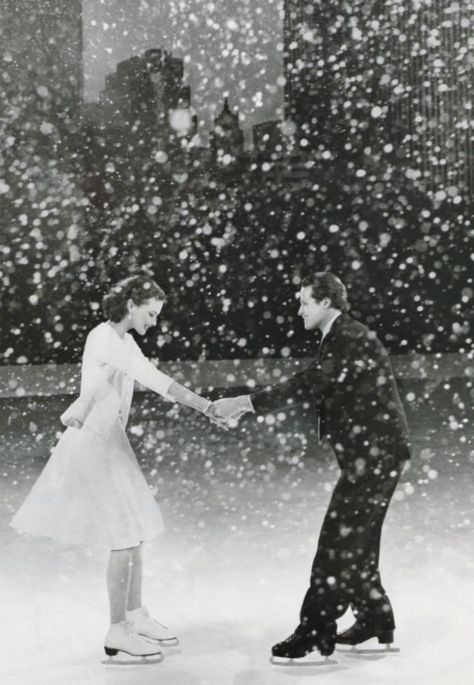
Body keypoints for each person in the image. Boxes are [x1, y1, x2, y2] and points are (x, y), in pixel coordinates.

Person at [11, 274, 225, 659]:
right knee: (123, 537)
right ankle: (116, 630)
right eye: (150, 314)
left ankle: (135, 614)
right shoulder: (105, 338)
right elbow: (158, 381)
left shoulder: (123, 341)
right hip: (93, 446)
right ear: (130, 305)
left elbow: (150, 376)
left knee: (136, 531)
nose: (154, 323)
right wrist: (208, 407)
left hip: (110, 444)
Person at [212, 272, 410, 660]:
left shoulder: (349, 337)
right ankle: (374, 617)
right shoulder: (343, 335)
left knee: (337, 544)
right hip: (375, 454)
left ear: (325, 302)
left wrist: (245, 403)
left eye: (304, 301)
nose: (299, 309)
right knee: (358, 540)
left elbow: (313, 382)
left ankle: (316, 630)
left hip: (375, 457)